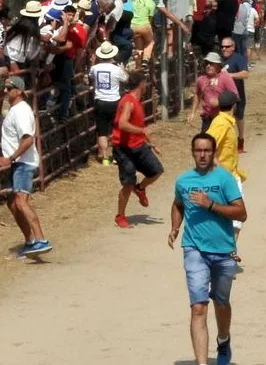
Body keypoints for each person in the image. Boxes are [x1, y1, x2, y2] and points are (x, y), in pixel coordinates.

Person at [169, 133, 247, 365]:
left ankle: (223, 339)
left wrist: (210, 204)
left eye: (207, 151)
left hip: (223, 250)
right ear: (192, 152)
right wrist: (175, 227)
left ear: (213, 152)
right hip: (194, 249)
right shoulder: (183, 181)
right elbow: (178, 204)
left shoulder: (225, 179)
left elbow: (241, 213)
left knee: (221, 303)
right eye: (198, 151)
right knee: (198, 307)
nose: (202, 155)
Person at [0, 76, 52, 257]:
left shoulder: (20, 111)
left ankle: (40, 239)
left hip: (22, 162)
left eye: (8, 88)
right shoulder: (15, 110)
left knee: (21, 201)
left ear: (19, 91)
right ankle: (30, 241)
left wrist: (10, 158)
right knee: (12, 203)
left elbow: (28, 139)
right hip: (18, 162)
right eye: (4, 88)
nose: (5, 91)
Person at [111, 71, 164, 228]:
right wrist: (143, 132)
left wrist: (151, 143)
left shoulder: (136, 101)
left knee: (157, 171)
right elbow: (122, 124)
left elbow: (138, 126)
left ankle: (140, 188)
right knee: (128, 182)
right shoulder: (128, 102)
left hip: (139, 146)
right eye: (146, 83)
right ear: (141, 84)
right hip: (123, 149)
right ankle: (120, 215)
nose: (147, 85)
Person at [205, 91, 247, 261]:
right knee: (236, 216)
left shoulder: (223, 122)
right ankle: (228, 254)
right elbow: (207, 145)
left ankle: (227, 252)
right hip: (226, 178)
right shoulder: (222, 124)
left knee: (231, 218)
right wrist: (220, 170)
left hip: (230, 175)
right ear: (234, 106)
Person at [89, 41, 126, 165]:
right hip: (114, 101)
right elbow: (126, 79)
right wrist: (123, 69)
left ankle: (105, 157)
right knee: (116, 129)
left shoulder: (95, 68)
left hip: (100, 101)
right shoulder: (116, 69)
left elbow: (90, 76)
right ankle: (116, 156)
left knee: (102, 131)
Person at [189, 52, 239, 133]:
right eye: (206, 63)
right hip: (207, 119)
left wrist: (220, 102)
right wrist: (192, 112)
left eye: (211, 63)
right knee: (206, 144)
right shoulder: (201, 79)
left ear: (218, 65)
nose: (208, 66)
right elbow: (197, 95)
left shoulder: (225, 78)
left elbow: (235, 96)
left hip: (221, 119)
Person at [220, 37, 249, 153]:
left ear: (233, 47)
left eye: (226, 47)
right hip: (223, 97)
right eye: (222, 46)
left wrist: (229, 76)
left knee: (239, 118)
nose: (223, 49)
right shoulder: (219, 59)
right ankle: (227, 143)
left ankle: (240, 138)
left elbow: (245, 74)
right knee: (225, 119)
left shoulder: (238, 58)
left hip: (238, 95)